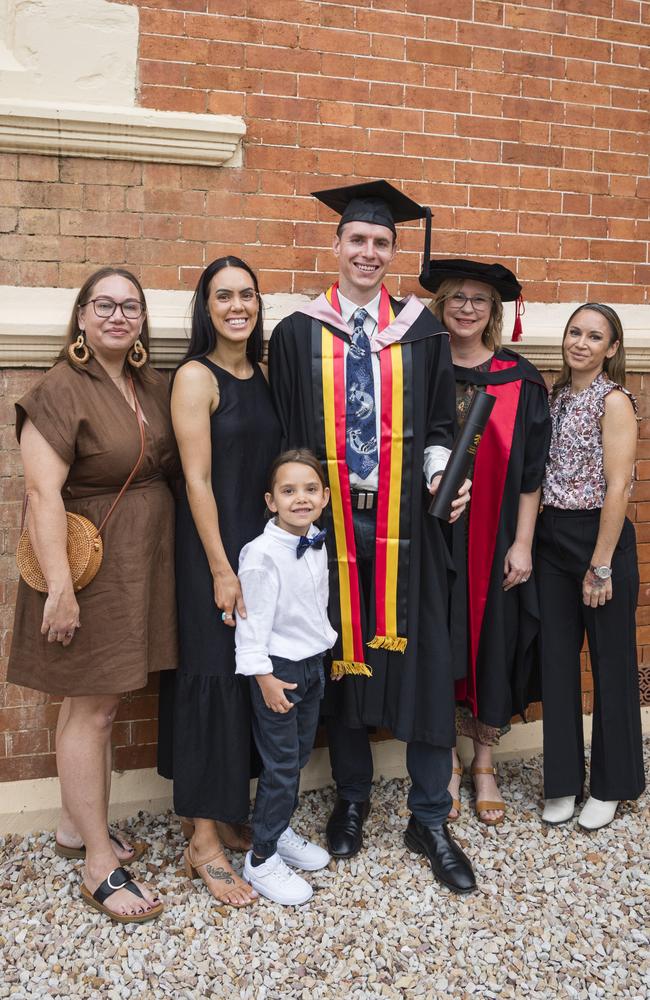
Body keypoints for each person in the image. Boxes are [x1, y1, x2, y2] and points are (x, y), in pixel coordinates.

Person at [269, 180, 476, 895]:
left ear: (393, 253)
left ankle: (429, 815)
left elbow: (441, 431)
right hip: (326, 527)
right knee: (342, 656)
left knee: (421, 659)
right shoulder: (298, 332)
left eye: (381, 242)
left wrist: (444, 474)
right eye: (357, 240)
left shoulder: (421, 331)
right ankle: (352, 799)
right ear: (337, 246)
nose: (368, 252)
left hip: (407, 527)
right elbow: (288, 432)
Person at [7, 267, 178, 923]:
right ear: (81, 317)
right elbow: (41, 494)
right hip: (86, 572)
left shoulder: (145, 383)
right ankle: (98, 865)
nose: (116, 315)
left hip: (135, 569)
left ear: (140, 320)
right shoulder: (58, 390)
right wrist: (59, 589)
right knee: (92, 709)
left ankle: (79, 829)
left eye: (129, 306)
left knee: (99, 704)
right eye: (102, 305)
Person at [157, 257, 280, 907]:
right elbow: (196, 480)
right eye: (224, 295)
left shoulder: (262, 375)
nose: (238, 305)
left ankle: (227, 810)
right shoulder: (194, 378)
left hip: (260, 555)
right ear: (206, 307)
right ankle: (201, 839)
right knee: (209, 673)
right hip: (215, 552)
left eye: (247, 294)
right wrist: (221, 568)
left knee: (242, 679)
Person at [423, 259, 551, 825]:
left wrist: (522, 544)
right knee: (438, 640)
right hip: (434, 534)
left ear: (494, 311)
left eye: (479, 299)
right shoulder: (422, 370)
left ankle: (483, 763)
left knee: (492, 640)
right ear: (441, 306)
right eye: (456, 298)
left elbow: (532, 474)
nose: (467, 307)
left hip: (496, 537)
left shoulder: (520, 380)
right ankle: (446, 763)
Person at [537, 303, 645, 829]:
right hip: (551, 539)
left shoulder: (614, 400)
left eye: (594, 336)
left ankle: (612, 784)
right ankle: (561, 781)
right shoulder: (556, 397)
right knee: (557, 662)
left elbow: (619, 486)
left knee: (610, 663)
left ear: (612, 349)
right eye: (575, 332)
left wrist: (600, 565)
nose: (581, 342)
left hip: (598, 542)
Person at [235, 450, 335, 905]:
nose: (301, 498)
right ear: (271, 501)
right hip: (279, 673)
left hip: (312, 664)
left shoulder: (316, 539)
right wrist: (265, 678)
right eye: (289, 491)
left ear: (326, 497)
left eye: (310, 489)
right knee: (279, 767)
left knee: (295, 759)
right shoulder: (260, 554)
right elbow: (250, 624)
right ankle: (261, 858)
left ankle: (279, 830)